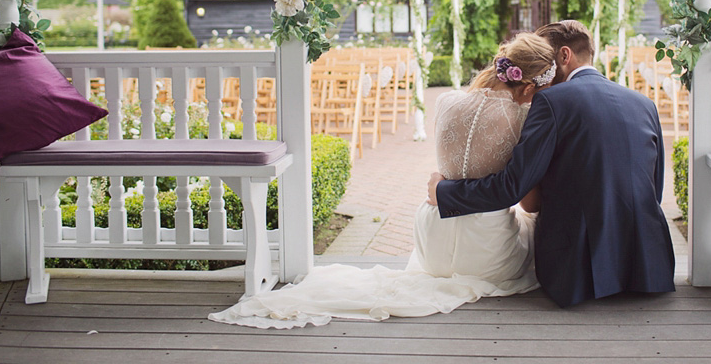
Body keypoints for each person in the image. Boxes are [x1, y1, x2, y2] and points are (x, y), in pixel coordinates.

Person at [208, 32, 556, 329]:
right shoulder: (524, 117)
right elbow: (527, 201)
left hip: (430, 237)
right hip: (485, 251)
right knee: (532, 226)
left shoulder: (449, 100)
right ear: (529, 87)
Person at [428, 20, 675, 308]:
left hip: (578, 272)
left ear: (565, 56)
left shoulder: (550, 101)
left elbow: (512, 187)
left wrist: (445, 192)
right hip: (648, 265)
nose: (544, 76)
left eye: (548, 61)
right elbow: (654, 191)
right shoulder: (644, 103)